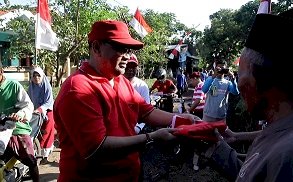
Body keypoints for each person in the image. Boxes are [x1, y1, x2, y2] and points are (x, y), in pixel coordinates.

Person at [53, 20, 199, 182]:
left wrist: (180, 119)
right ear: (96, 48)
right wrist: (151, 137)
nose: (127, 55)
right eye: (120, 48)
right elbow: (97, 148)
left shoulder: (119, 81)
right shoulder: (78, 88)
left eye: (129, 50)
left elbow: (146, 111)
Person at [207, 3, 293, 181]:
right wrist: (221, 148)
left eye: (241, 77)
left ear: (255, 83)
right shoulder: (290, 132)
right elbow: (256, 170)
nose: (241, 87)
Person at [0, 62, 39, 182]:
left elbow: (28, 105)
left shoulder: (14, 86)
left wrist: (19, 115)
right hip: (1, 128)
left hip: (17, 127)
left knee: (30, 160)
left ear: (1, 71)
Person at [27, 66, 55, 165]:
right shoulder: (31, 87)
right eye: (34, 76)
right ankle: (38, 154)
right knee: (37, 134)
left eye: (38, 76)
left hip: (47, 112)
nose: (36, 78)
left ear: (42, 76)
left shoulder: (46, 86)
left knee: (46, 133)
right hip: (35, 114)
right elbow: (28, 101)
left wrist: (40, 109)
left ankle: (45, 156)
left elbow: (49, 101)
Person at [123, 54, 150, 134]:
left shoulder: (142, 85)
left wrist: (139, 127)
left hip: (138, 125)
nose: (130, 70)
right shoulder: (115, 83)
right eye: (128, 66)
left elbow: (147, 112)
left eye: (133, 67)